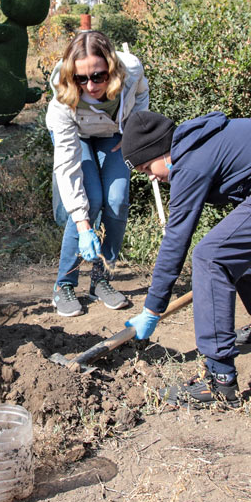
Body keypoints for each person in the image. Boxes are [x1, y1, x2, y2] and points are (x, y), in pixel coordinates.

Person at [121, 111, 251, 408]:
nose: (152, 176)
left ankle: (219, 381)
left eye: (147, 167)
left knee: (210, 258)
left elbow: (176, 240)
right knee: (242, 260)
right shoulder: (194, 144)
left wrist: (153, 309)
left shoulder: (190, 162)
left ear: (161, 151)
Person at [45, 30, 150, 317]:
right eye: (81, 78)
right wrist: (82, 226)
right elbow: (67, 165)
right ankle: (63, 285)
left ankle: (102, 280)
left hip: (113, 134)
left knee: (116, 200)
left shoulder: (132, 70)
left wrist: (132, 132)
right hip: (76, 135)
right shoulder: (62, 99)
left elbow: (141, 96)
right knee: (89, 200)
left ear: (112, 69)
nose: (90, 85)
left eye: (99, 76)